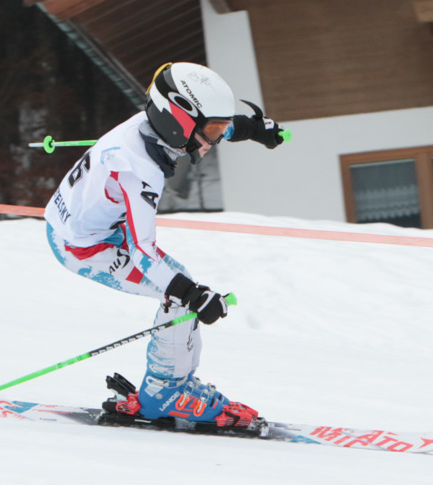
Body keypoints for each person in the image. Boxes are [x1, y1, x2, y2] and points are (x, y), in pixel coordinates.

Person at [44, 61, 284, 428]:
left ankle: (171, 386)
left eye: (220, 129)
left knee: (179, 286)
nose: (216, 139)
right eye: (214, 130)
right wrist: (193, 295)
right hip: (81, 246)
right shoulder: (138, 170)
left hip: (95, 225)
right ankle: (165, 395)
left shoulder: (157, 126)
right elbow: (143, 253)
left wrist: (250, 128)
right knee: (176, 291)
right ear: (178, 119)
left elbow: (200, 129)